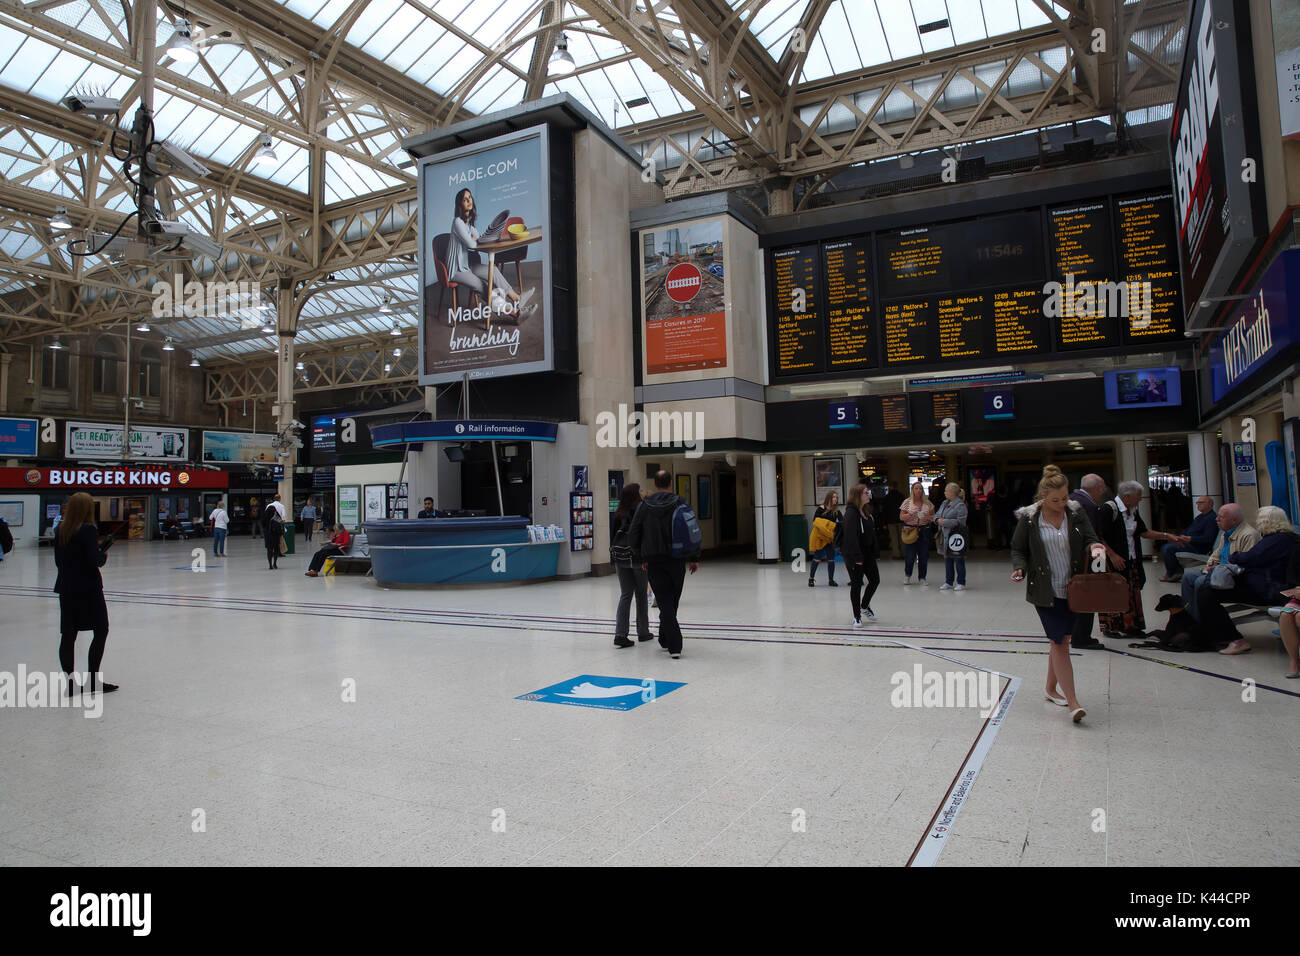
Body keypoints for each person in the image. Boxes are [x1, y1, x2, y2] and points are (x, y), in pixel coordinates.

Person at [1010, 465, 1105, 724]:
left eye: (1064, 498)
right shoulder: (1030, 519)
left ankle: (1050, 688)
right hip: (1045, 590)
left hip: (1073, 588)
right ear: (1043, 497)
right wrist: (1020, 567)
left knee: (1060, 638)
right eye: (1055, 500)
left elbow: (1090, 537)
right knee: (1060, 643)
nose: (1061, 504)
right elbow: (1018, 548)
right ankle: (1073, 702)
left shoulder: (1076, 513)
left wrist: (1095, 546)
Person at [1198, 506, 1300, 655]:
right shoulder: (1289, 539)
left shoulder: (1275, 541)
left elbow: (1249, 557)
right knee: (1206, 589)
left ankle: (1232, 638)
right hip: (1273, 587)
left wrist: (1234, 556)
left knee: (1206, 591)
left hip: (1267, 590)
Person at [628, 470, 699, 660]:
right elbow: (691, 528)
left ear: (655, 482)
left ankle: (664, 637)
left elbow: (634, 532)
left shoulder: (644, 505)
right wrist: (693, 557)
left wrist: (640, 556)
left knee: (666, 601)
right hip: (677, 559)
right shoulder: (680, 502)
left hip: (654, 560)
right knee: (671, 600)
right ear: (669, 483)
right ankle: (674, 645)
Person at [53, 492, 117, 696]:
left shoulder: (60, 529)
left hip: (66, 587)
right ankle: (92, 680)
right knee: (101, 630)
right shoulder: (88, 530)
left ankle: (71, 682)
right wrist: (103, 555)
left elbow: (59, 561)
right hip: (88, 588)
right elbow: (94, 560)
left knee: (68, 635)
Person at [447, 188, 533, 316]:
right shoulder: (457, 222)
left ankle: (517, 298)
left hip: (468, 265)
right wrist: (474, 239)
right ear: (460, 204)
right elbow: (472, 244)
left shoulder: (468, 223)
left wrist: (473, 233)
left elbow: (479, 238)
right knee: (482, 286)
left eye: (469, 197)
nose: (468, 200)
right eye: (465, 199)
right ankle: (515, 313)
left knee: (493, 271)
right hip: (457, 269)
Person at [1096, 480, 1164, 638]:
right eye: (1138, 496)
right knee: (1113, 591)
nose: (1140, 499)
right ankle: (1111, 626)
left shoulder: (1132, 511)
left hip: (1131, 559)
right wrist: (1112, 555)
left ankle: (1130, 624)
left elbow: (1142, 531)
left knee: (1131, 591)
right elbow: (1098, 535)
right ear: (1127, 496)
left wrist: (1167, 536)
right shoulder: (1109, 509)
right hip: (1112, 560)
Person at [1181, 503, 1259, 621]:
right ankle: (1191, 619)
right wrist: (1209, 567)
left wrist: (1217, 570)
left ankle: (1202, 622)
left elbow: (1246, 564)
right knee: (1187, 577)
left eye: (1221, 517)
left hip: (1234, 577)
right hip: (1218, 571)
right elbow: (1216, 555)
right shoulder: (1225, 534)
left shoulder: (1249, 535)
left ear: (1234, 520)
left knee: (1200, 582)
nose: (1216, 519)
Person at [1067, 474, 1108, 650]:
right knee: (1087, 595)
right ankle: (1081, 636)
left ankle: (1077, 634)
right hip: (1085, 558)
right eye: (1102, 487)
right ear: (1097, 487)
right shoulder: (1087, 505)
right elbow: (1091, 535)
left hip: (1073, 558)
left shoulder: (1073, 500)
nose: (1103, 491)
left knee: (1077, 596)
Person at [609, 483, 653, 648]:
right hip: (637, 558)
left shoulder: (618, 512)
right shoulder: (641, 510)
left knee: (625, 594)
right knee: (641, 594)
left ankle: (620, 634)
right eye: (640, 490)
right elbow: (645, 535)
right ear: (635, 494)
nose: (642, 492)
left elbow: (613, 536)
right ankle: (643, 632)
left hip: (620, 557)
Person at [839, 483, 880, 625]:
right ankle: (857, 615)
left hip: (867, 553)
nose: (868, 494)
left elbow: (871, 533)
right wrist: (857, 558)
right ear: (858, 495)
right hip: (855, 554)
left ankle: (864, 605)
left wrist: (875, 551)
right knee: (856, 584)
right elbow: (850, 537)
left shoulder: (866, 511)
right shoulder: (851, 513)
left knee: (875, 580)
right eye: (865, 493)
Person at [1155, 495, 1217, 582]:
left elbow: (1208, 538)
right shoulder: (1200, 517)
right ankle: (1176, 572)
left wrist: (1191, 539)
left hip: (1198, 547)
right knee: (1168, 546)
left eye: (1201, 503)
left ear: (1210, 504)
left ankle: (1174, 573)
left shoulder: (1211, 518)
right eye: (1197, 503)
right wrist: (1180, 537)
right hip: (1190, 543)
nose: (1198, 505)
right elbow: (1188, 530)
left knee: (1167, 548)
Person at [899, 481, 935, 586]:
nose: (918, 490)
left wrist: (927, 517)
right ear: (912, 490)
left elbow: (934, 516)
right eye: (916, 488)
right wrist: (910, 514)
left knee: (923, 555)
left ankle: (922, 577)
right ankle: (907, 574)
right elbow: (901, 517)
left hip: (924, 529)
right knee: (910, 556)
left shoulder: (928, 503)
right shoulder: (907, 502)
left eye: (920, 488)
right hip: (910, 529)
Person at [935, 482, 969, 591]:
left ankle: (961, 582)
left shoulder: (960, 505)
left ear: (952, 492)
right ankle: (948, 581)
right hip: (945, 535)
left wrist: (944, 522)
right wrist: (937, 520)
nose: (944, 493)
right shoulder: (945, 503)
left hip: (956, 536)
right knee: (947, 558)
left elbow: (961, 521)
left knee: (958, 558)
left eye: (946, 491)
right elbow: (937, 515)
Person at [807, 491, 841, 587]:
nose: (835, 499)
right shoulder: (821, 509)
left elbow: (842, 523)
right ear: (829, 498)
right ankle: (811, 579)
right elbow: (815, 522)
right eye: (834, 497)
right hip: (820, 538)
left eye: (836, 497)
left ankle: (831, 580)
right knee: (817, 558)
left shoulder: (837, 511)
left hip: (830, 538)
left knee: (831, 559)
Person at [263, 493, 287, 570]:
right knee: (276, 547)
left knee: (269, 549)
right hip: (276, 532)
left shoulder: (268, 507)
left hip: (268, 533)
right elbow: (283, 518)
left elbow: (263, 520)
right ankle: (275, 564)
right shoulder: (281, 507)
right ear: (280, 499)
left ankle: (270, 564)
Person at [881, 481, 905, 559]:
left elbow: (884, 510)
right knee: (902, 537)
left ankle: (896, 554)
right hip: (901, 519)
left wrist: (884, 522)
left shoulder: (887, 497)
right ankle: (904, 553)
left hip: (890, 520)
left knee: (894, 538)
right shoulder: (901, 496)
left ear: (890, 487)